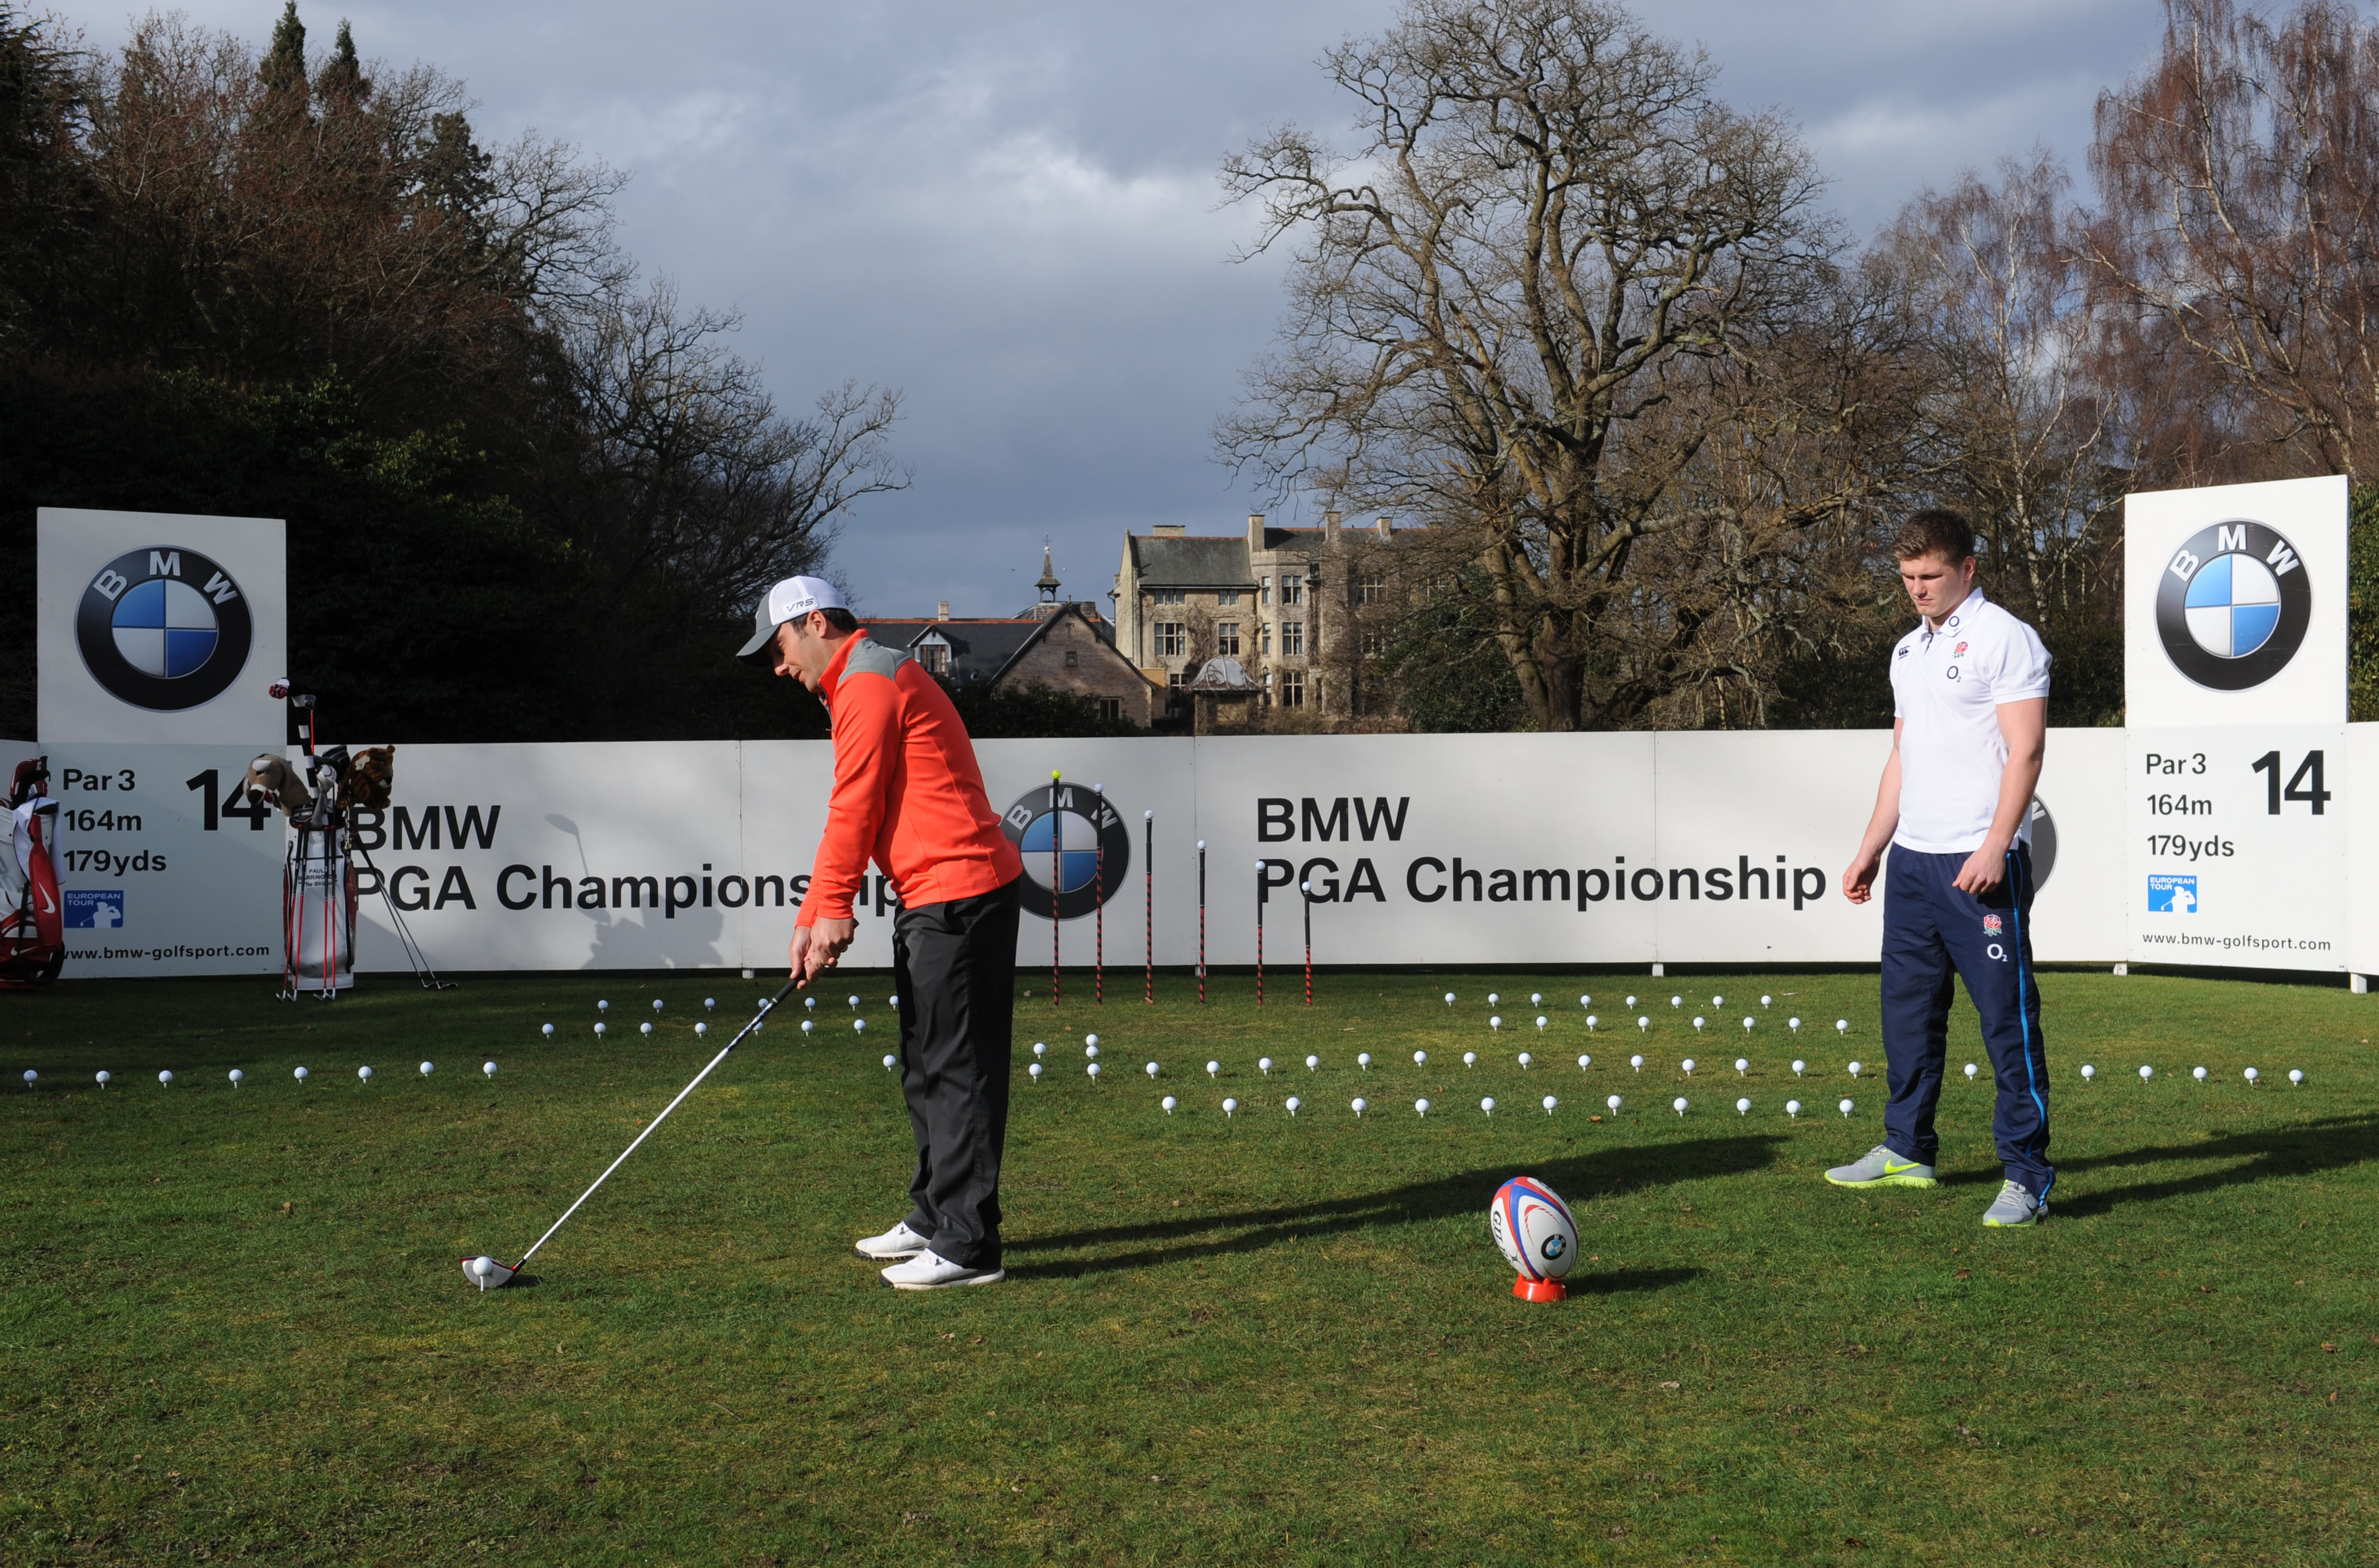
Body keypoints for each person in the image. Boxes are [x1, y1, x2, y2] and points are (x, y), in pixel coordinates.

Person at [740, 576, 1025, 1287]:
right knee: (925, 1061)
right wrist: (812, 918)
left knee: (957, 1067)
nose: (778, 667)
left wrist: (832, 910)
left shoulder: (867, 681)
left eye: (778, 647)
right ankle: (934, 1215)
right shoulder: (857, 681)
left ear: (812, 623)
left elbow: (854, 804)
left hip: (961, 891)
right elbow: (853, 810)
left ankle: (968, 1245)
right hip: (932, 892)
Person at [1835, 511, 2054, 1227]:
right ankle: (1907, 1149)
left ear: (1968, 567)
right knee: (1907, 1016)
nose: (1918, 589)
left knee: (2006, 1024)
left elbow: (2024, 751)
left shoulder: (2006, 639)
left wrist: (1997, 844)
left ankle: (2025, 1174)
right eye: (1907, 578)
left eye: (1930, 575)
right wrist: (1872, 846)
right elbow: (1903, 756)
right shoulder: (1907, 651)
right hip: (1912, 866)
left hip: (1978, 861)